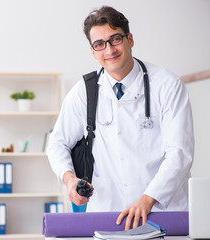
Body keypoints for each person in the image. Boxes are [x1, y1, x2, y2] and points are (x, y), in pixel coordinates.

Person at [47, 6, 194, 230]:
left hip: (162, 214)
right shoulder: (84, 91)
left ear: (130, 40)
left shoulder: (167, 85)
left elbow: (180, 153)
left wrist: (148, 199)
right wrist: (70, 179)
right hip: (108, 216)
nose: (109, 50)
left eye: (115, 39)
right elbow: (57, 144)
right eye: (100, 44)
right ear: (93, 51)